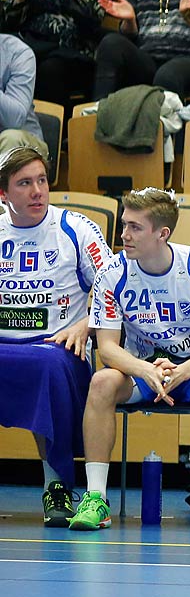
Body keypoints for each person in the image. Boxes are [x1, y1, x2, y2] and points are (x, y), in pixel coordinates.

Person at [70, 188, 190, 534]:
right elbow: (107, 348)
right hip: (140, 368)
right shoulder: (112, 273)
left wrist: (181, 372)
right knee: (101, 382)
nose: (123, 235)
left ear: (162, 234)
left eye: (134, 228)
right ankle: (95, 497)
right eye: (123, 226)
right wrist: (148, 370)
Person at [0, 143, 114, 526]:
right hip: (5, 345)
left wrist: (87, 322)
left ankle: (57, 485)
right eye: (24, 183)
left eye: (42, 181)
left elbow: (116, 286)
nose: (37, 191)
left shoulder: (75, 228)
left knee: (47, 363)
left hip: (58, 346)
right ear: (3, 194)